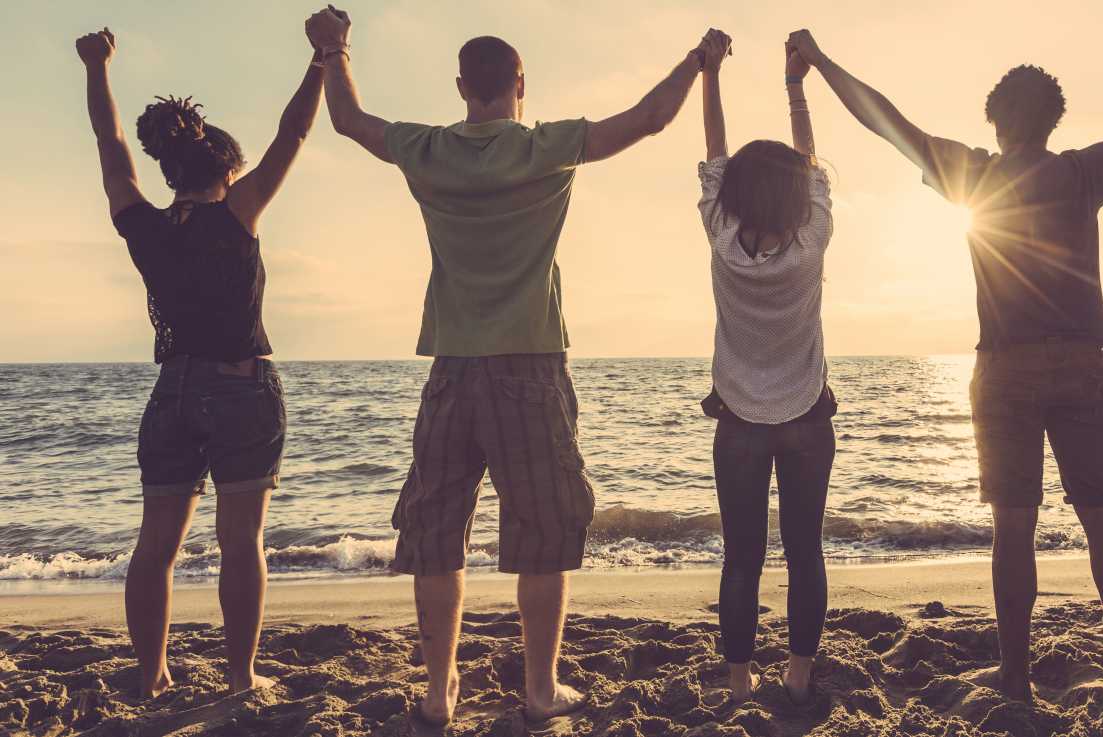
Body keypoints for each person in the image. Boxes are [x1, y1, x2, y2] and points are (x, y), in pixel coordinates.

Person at [303, 5, 722, 727]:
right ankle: (538, 686)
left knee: (437, 532)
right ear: (520, 83)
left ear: (462, 84)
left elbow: (348, 119)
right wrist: (697, 61)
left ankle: (438, 693)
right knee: (542, 528)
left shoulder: (427, 149)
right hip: (530, 365)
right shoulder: (544, 148)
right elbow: (651, 118)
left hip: (452, 369)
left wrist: (334, 49)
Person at [785, 29, 1103, 699]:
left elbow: (883, 119)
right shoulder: (1081, 170)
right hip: (1082, 365)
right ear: (1051, 118)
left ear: (997, 120)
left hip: (1005, 370)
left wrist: (820, 61)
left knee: (1014, 523)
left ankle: (1015, 671)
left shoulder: (975, 173)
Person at [75, 26, 324, 698]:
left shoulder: (143, 223)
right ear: (226, 170)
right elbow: (295, 133)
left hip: (171, 392)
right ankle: (241, 675)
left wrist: (96, 68)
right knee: (241, 541)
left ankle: (152, 673)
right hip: (240, 385)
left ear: (169, 169)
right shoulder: (238, 212)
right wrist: (324, 58)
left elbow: (109, 143)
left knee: (156, 544)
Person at [696, 34, 836, 704]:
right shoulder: (812, 240)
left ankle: (739, 675)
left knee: (742, 556)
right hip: (807, 415)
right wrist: (795, 82)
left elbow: (714, 154)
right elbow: (809, 160)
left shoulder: (723, 236)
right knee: (805, 551)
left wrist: (710, 73)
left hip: (740, 423)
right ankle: (800, 671)